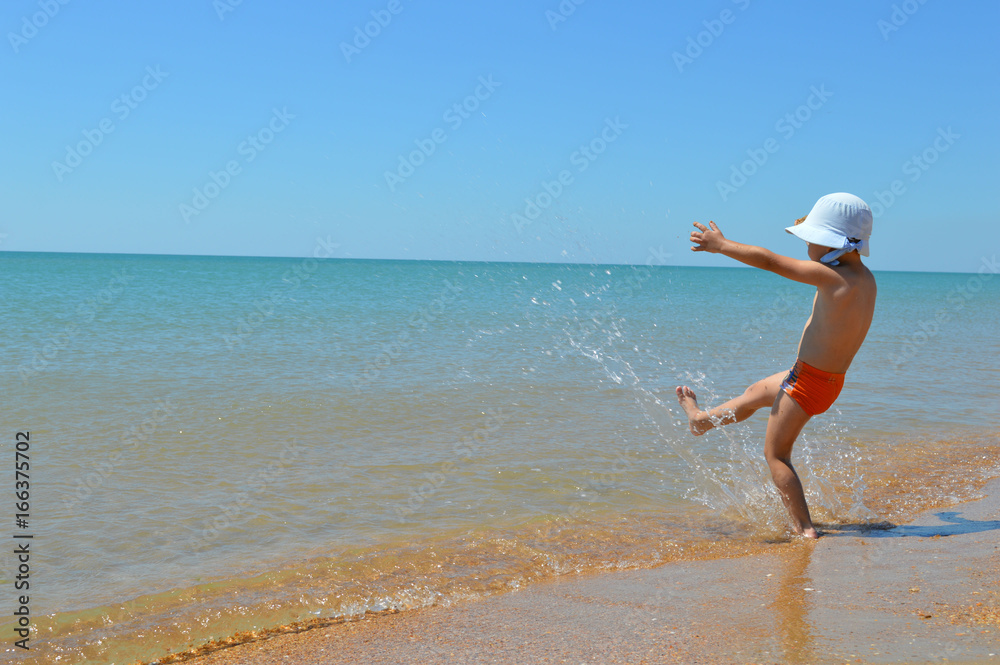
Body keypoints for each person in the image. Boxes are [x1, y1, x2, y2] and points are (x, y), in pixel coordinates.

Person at [676, 193, 877, 538]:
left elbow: (770, 261)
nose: (807, 245)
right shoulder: (866, 279)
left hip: (806, 384)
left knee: (776, 455)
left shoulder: (830, 277)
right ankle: (700, 421)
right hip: (823, 380)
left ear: (833, 243)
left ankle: (805, 529)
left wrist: (721, 245)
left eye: (811, 239)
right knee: (755, 393)